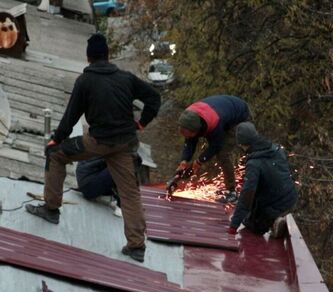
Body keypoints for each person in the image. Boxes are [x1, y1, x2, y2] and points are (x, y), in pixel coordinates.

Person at [26, 33, 161, 263]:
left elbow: (70, 117)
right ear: (107, 56)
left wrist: (55, 140)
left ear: (88, 58)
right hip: (125, 144)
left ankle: (50, 209)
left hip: (97, 142)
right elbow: (154, 97)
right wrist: (142, 122)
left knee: (56, 156)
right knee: (130, 193)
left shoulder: (85, 81)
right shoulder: (125, 78)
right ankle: (137, 246)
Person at [176, 95, 251, 203]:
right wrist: (184, 160)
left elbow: (216, 146)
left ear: (197, 130)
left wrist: (200, 160)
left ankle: (232, 192)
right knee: (213, 151)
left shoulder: (214, 124)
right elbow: (190, 141)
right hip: (223, 112)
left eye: (190, 134)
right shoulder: (189, 119)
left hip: (240, 115)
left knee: (222, 154)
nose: (187, 137)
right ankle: (227, 187)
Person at [228, 122, 298, 237]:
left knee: (251, 226)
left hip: (273, 205)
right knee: (254, 209)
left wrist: (233, 225)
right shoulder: (276, 149)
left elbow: (247, 195)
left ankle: (274, 222)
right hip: (290, 197)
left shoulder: (254, 163)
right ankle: (274, 218)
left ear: (242, 144)